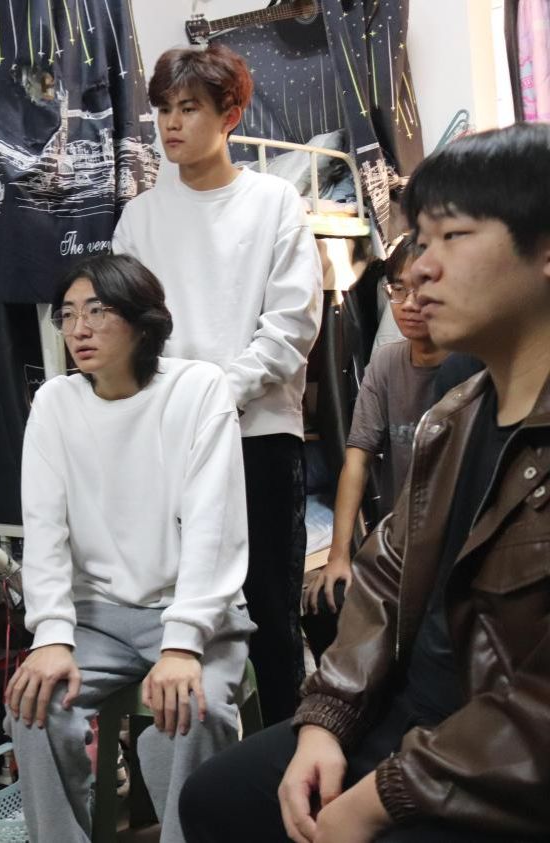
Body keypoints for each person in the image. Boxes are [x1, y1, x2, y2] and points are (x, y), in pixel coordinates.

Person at [179, 122, 550, 843]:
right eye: (420, 240)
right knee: (216, 797)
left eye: (453, 236)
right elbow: (385, 578)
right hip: (407, 718)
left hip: (497, 760)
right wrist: (327, 718)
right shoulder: (455, 416)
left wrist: (386, 793)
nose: (420, 269)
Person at [4, 254, 255, 843]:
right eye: (68, 315)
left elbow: (212, 527)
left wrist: (183, 642)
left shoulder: (198, 389)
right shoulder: (55, 403)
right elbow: (44, 529)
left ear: (143, 323)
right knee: (31, 708)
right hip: (97, 617)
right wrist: (51, 635)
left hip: (192, 608)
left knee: (190, 714)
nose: (79, 329)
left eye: (97, 311)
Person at [112, 44, 323, 725]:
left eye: (189, 108)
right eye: (163, 110)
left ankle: (287, 757)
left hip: (258, 438)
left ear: (230, 115)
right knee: (182, 613)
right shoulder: (141, 218)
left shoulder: (274, 201)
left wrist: (215, 394)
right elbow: (126, 332)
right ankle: (203, 765)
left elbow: (292, 325)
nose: (171, 124)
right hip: (169, 446)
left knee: (270, 613)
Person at [301, 237, 448, 655]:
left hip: (446, 551)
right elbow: (357, 458)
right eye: (398, 290)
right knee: (323, 601)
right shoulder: (386, 363)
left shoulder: (470, 367)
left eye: (421, 290)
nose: (408, 304)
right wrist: (339, 556)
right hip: (394, 544)